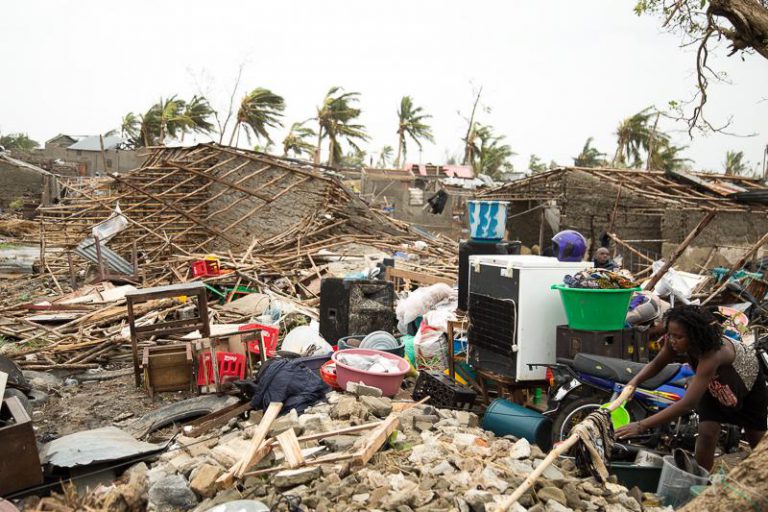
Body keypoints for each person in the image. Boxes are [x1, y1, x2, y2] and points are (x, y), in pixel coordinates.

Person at [616, 305, 767, 470]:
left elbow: (688, 404)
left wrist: (641, 425)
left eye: (678, 337)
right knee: (707, 432)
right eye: (670, 334)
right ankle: (700, 481)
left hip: (747, 385)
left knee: (757, 440)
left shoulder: (714, 354)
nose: (672, 340)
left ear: (696, 337)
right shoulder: (674, 341)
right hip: (713, 384)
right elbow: (658, 362)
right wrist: (635, 381)